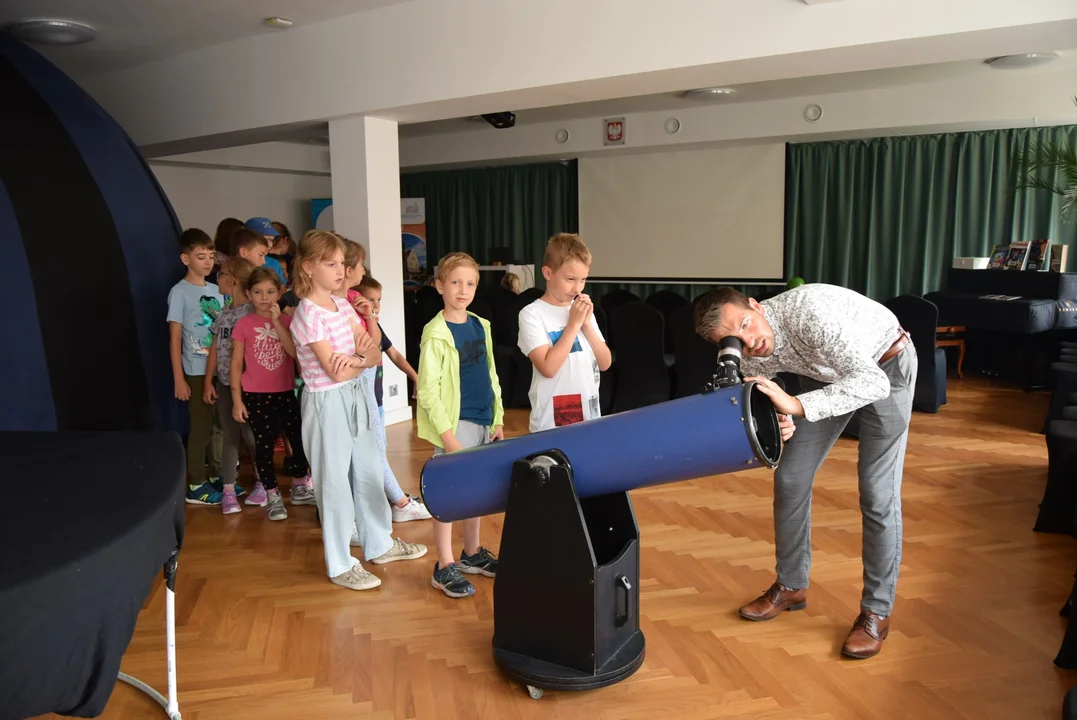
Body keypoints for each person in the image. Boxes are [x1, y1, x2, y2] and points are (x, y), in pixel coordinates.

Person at [693, 283, 916, 660]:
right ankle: (791, 585)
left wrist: (796, 404)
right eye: (736, 340)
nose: (750, 342)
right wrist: (783, 417)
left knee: (878, 494)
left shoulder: (810, 314)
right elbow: (778, 399)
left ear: (755, 304)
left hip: (884, 367)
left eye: (747, 324)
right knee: (791, 478)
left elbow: (870, 383)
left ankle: (876, 611)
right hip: (824, 375)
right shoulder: (747, 351)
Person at [289, 230, 426, 590]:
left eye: (341, 264)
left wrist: (357, 357)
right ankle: (339, 564)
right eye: (330, 264)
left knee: (367, 470)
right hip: (326, 402)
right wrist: (359, 359)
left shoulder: (344, 306)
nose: (340, 271)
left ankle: (379, 543)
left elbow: (375, 352)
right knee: (333, 483)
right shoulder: (307, 314)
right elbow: (332, 369)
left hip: (354, 396)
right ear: (308, 267)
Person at [416, 252, 503, 598]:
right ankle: (445, 564)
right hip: (456, 425)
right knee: (450, 494)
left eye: (469, 283)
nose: (463, 290)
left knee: (477, 492)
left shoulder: (482, 325)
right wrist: (448, 436)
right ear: (440, 286)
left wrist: (496, 418)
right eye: (455, 282)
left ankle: (471, 553)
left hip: (483, 420)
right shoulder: (435, 333)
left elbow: (491, 374)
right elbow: (427, 391)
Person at [230, 267, 313, 521]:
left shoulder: (288, 322)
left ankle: (300, 486)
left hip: (285, 392)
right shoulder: (243, 324)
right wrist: (236, 400)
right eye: (257, 292)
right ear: (248, 294)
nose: (264, 297)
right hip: (256, 395)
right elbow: (235, 364)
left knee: (298, 441)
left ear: (280, 292)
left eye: (270, 291)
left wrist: (277, 321)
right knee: (263, 448)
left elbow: (293, 353)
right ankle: (272, 494)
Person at [518, 233, 612, 432]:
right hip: (551, 421)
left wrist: (586, 324)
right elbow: (548, 368)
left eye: (583, 280)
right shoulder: (532, 314)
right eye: (570, 279)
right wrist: (573, 325)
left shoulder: (582, 311)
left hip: (589, 415)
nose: (577, 288)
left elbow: (605, 363)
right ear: (548, 273)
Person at [356, 274, 430, 524]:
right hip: (362, 404)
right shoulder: (355, 328)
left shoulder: (375, 328)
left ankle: (389, 498)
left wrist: (415, 377)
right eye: (370, 298)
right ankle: (400, 502)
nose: (375, 304)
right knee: (375, 454)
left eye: (379, 300)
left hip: (376, 402)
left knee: (379, 451)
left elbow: (395, 355)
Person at [167, 228, 225, 505]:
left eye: (211, 256)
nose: (207, 262)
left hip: (219, 369)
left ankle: (215, 476)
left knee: (218, 427)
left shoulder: (217, 290)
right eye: (201, 256)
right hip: (195, 370)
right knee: (200, 428)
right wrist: (179, 377)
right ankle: (196, 484)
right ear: (185, 258)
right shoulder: (179, 292)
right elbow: (175, 337)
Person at [204, 256, 259, 512]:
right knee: (230, 435)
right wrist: (209, 381)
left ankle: (263, 483)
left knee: (251, 434)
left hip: (249, 386)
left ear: (232, 279)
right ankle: (228, 489)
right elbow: (215, 347)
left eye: (221, 274)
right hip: (225, 384)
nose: (217, 278)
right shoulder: (225, 312)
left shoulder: (251, 312)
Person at [244, 217, 287, 286]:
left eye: (272, 240)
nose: (271, 245)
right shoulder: (233, 266)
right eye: (266, 239)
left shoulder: (274, 263)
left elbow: (281, 291)